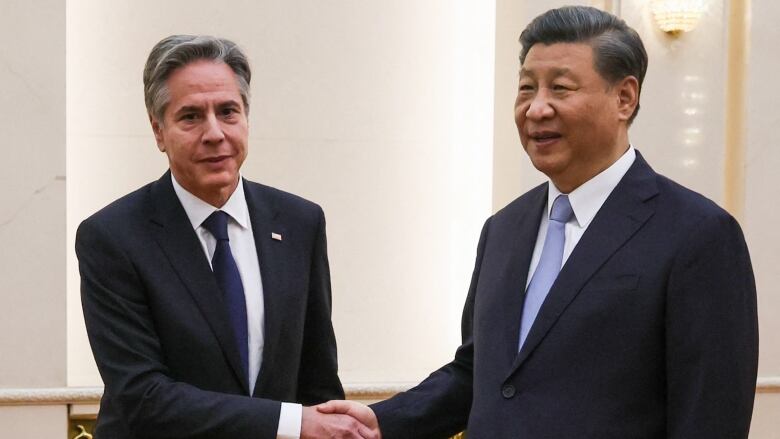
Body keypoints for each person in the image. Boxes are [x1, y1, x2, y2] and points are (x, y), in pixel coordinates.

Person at [318, 6, 759, 438]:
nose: (536, 109)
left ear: (624, 98)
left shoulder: (697, 234)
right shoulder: (503, 229)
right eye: (526, 88)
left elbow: (709, 415)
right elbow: (481, 373)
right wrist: (385, 420)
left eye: (561, 89)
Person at [77, 35, 376, 439]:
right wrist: (291, 424)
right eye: (191, 117)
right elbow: (142, 395)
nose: (214, 132)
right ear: (158, 131)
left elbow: (317, 378)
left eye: (228, 111)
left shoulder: (299, 222)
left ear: (246, 119)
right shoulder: (112, 237)